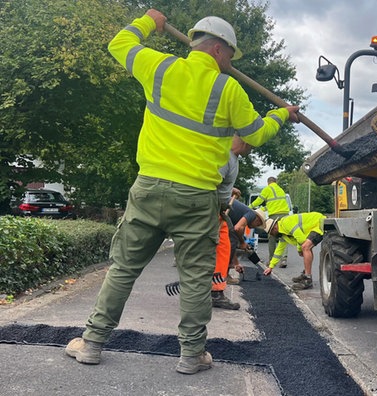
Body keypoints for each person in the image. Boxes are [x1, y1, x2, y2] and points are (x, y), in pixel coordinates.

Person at [64, 9, 299, 375]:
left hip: (149, 189)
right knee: (194, 278)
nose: (229, 63)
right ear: (220, 51)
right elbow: (256, 135)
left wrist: (149, 21)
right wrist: (283, 114)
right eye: (230, 57)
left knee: (124, 268)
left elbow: (119, 43)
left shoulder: (160, 68)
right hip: (197, 199)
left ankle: (91, 343)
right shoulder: (228, 88)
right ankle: (192, 355)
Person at [211, 136, 252, 310]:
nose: (252, 148)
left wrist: (230, 190)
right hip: (208, 209)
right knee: (219, 246)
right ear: (243, 140)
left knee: (224, 246)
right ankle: (207, 291)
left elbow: (220, 183)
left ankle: (215, 291)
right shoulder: (224, 156)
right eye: (251, 144)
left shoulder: (232, 159)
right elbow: (210, 182)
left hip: (217, 210)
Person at [262, 212, 326, 290]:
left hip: (317, 223)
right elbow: (279, 251)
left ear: (274, 228)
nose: (272, 235)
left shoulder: (286, 223)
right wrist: (270, 267)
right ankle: (306, 273)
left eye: (271, 233)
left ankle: (307, 279)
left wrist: (299, 249)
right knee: (306, 247)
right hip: (312, 226)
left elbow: (300, 238)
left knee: (305, 247)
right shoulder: (283, 234)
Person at [249, 177, 292, 267]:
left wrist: (249, 207)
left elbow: (259, 201)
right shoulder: (281, 190)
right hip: (285, 214)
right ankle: (284, 260)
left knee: (272, 236)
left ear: (268, 182)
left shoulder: (267, 189)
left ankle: (272, 259)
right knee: (284, 237)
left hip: (274, 216)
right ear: (275, 182)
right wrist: (261, 209)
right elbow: (271, 205)